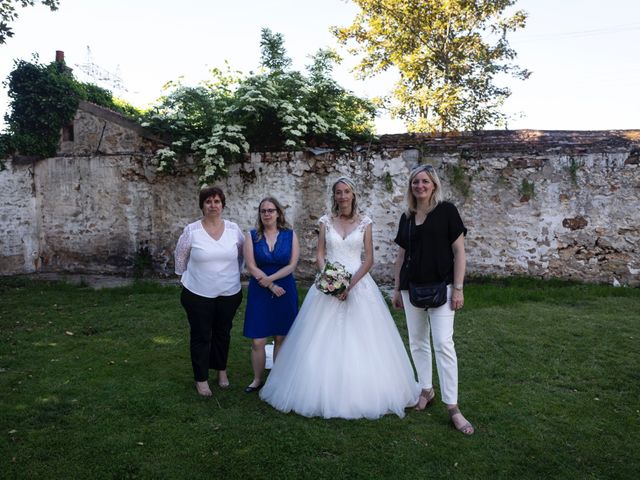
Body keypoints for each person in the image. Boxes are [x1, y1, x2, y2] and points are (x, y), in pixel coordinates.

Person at [260, 177, 420, 419]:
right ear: (334, 196)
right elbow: (320, 255)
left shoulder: (365, 222)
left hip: (358, 284)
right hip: (328, 285)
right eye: (338, 192)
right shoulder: (326, 221)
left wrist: (349, 285)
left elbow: (369, 260)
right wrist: (331, 281)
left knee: (366, 340)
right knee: (315, 339)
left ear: (353, 195)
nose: (342, 196)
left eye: (346, 192)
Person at [392, 164, 474, 435]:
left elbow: (459, 252)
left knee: (443, 344)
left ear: (434, 185)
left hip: (443, 286)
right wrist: (395, 288)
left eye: (425, 181)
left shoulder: (447, 211)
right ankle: (426, 389)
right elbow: (401, 256)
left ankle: (453, 407)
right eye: (416, 182)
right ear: (411, 186)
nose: (420, 186)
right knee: (417, 343)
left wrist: (459, 288)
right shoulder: (407, 216)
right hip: (411, 287)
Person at [174, 186, 244, 397]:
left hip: (229, 293)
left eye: (217, 201)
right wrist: (188, 278)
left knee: (223, 333)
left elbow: (241, 257)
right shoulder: (192, 231)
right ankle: (201, 378)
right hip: (198, 294)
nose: (213, 205)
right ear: (202, 206)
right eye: (208, 202)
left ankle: (221, 371)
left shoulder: (234, 229)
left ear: (222, 205)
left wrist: (231, 275)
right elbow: (180, 258)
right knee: (201, 336)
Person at [243, 197, 300, 393]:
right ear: (260, 214)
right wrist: (268, 284)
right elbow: (250, 265)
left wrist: (272, 280)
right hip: (260, 289)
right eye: (263, 211)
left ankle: (278, 378)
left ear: (278, 213)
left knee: (281, 337)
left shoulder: (290, 235)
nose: (267, 214)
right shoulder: (251, 236)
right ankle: (257, 379)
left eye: (270, 210)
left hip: (285, 288)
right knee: (258, 339)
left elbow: (292, 265)